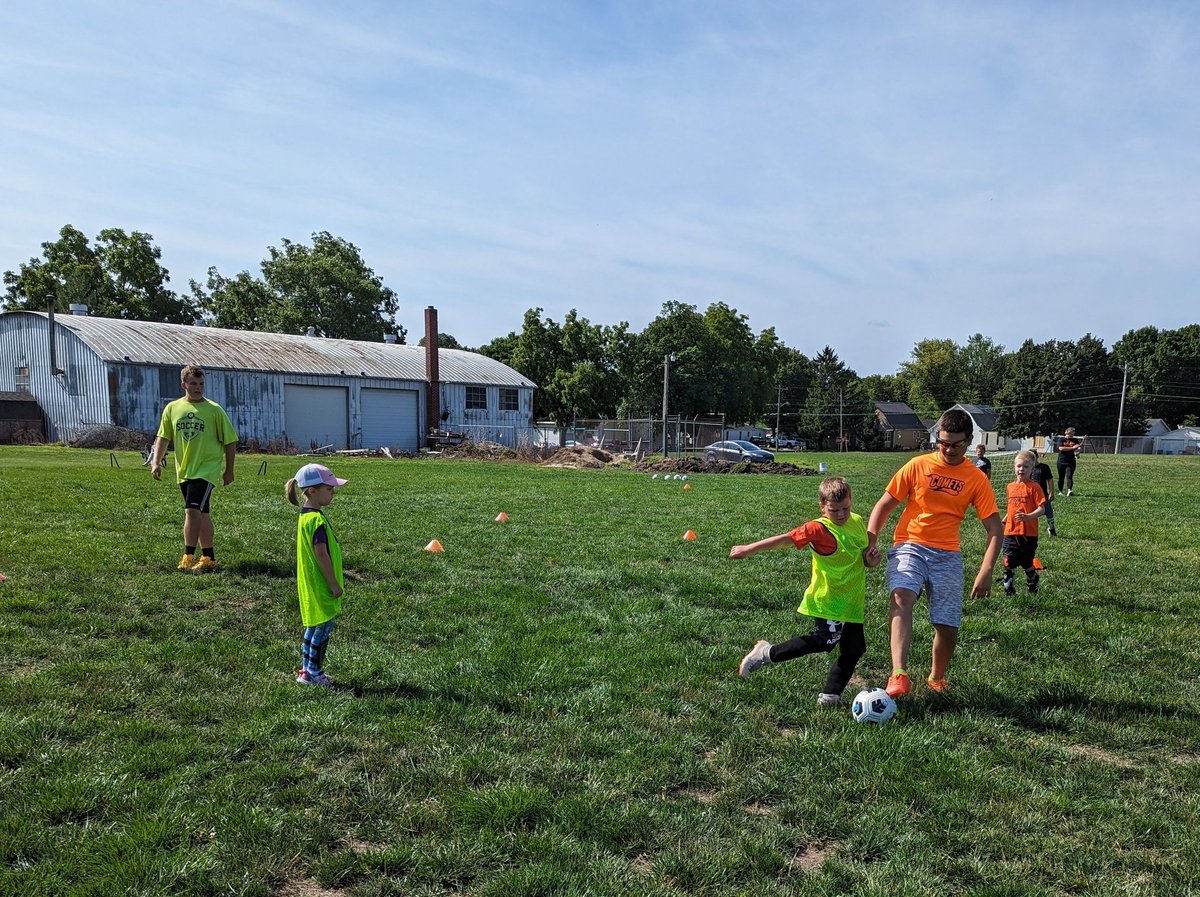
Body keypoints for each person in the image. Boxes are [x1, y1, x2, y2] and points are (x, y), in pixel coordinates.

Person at [867, 408, 1003, 697]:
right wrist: (871, 541)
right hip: (909, 543)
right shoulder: (917, 466)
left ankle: (937, 677)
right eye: (943, 443)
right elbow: (885, 504)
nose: (949, 449)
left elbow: (995, 528)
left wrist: (986, 570)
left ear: (969, 441)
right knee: (902, 595)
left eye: (956, 444)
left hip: (947, 554)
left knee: (947, 625)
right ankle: (898, 674)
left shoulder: (976, 478)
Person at [732, 476, 883, 705]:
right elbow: (786, 540)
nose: (841, 514)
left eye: (845, 508)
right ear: (822, 506)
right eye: (834, 510)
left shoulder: (857, 521)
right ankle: (766, 654)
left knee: (855, 648)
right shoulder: (818, 529)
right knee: (824, 640)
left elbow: (863, 559)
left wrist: (871, 560)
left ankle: (831, 696)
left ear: (852, 502)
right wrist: (749, 548)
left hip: (852, 600)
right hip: (828, 599)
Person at [151, 365, 238, 571]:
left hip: (206, 469)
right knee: (202, 513)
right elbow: (163, 437)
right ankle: (209, 558)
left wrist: (229, 469)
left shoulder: (214, 410)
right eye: (193, 383)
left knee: (191, 510)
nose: (198, 387)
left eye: (201, 384)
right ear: (184, 385)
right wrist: (156, 462)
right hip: (185, 470)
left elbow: (230, 441)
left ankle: (188, 556)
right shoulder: (172, 408)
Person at [286, 463, 348, 687]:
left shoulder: (305, 517)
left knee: (313, 627)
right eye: (329, 489)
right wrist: (333, 584)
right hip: (321, 585)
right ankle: (315, 673)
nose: (332, 493)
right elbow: (321, 554)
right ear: (312, 491)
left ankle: (306, 671)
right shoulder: (316, 520)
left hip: (310, 583)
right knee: (322, 630)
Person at [1002, 451, 1046, 596]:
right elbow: (1012, 507)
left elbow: (1042, 509)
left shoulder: (1034, 487)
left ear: (1032, 469)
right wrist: (1006, 517)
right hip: (1010, 531)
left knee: (1026, 562)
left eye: (1026, 467)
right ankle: (1009, 591)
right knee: (1008, 561)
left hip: (1028, 532)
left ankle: (1032, 578)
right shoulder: (1010, 487)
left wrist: (1028, 517)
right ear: (1014, 467)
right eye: (1019, 466)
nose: (1022, 469)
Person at [1030, 449, 1057, 536]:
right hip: (1030, 496)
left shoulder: (1044, 467)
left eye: (1033, 457)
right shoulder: (1027, 468)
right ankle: (1030, 530)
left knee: (1049, 512)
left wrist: (1051, 492)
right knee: (1030, 513)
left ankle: (1051, 528)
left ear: (1036, 457)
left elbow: (1050, 479)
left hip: (1043, 495)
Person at [1056, 427, 1083, 496]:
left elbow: (1078, 448)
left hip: (1071, 462)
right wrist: (1073, 448)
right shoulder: (1061, 439)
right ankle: (1060, 491)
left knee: (1069, 476)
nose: (1072, 434)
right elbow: (1061, 448)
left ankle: (1069, 490)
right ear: (1066, 432)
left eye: (1073, 433)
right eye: (1071, 433)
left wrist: (1078, 451)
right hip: (1061, 461)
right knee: (1061, 477)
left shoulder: (1075, 440)